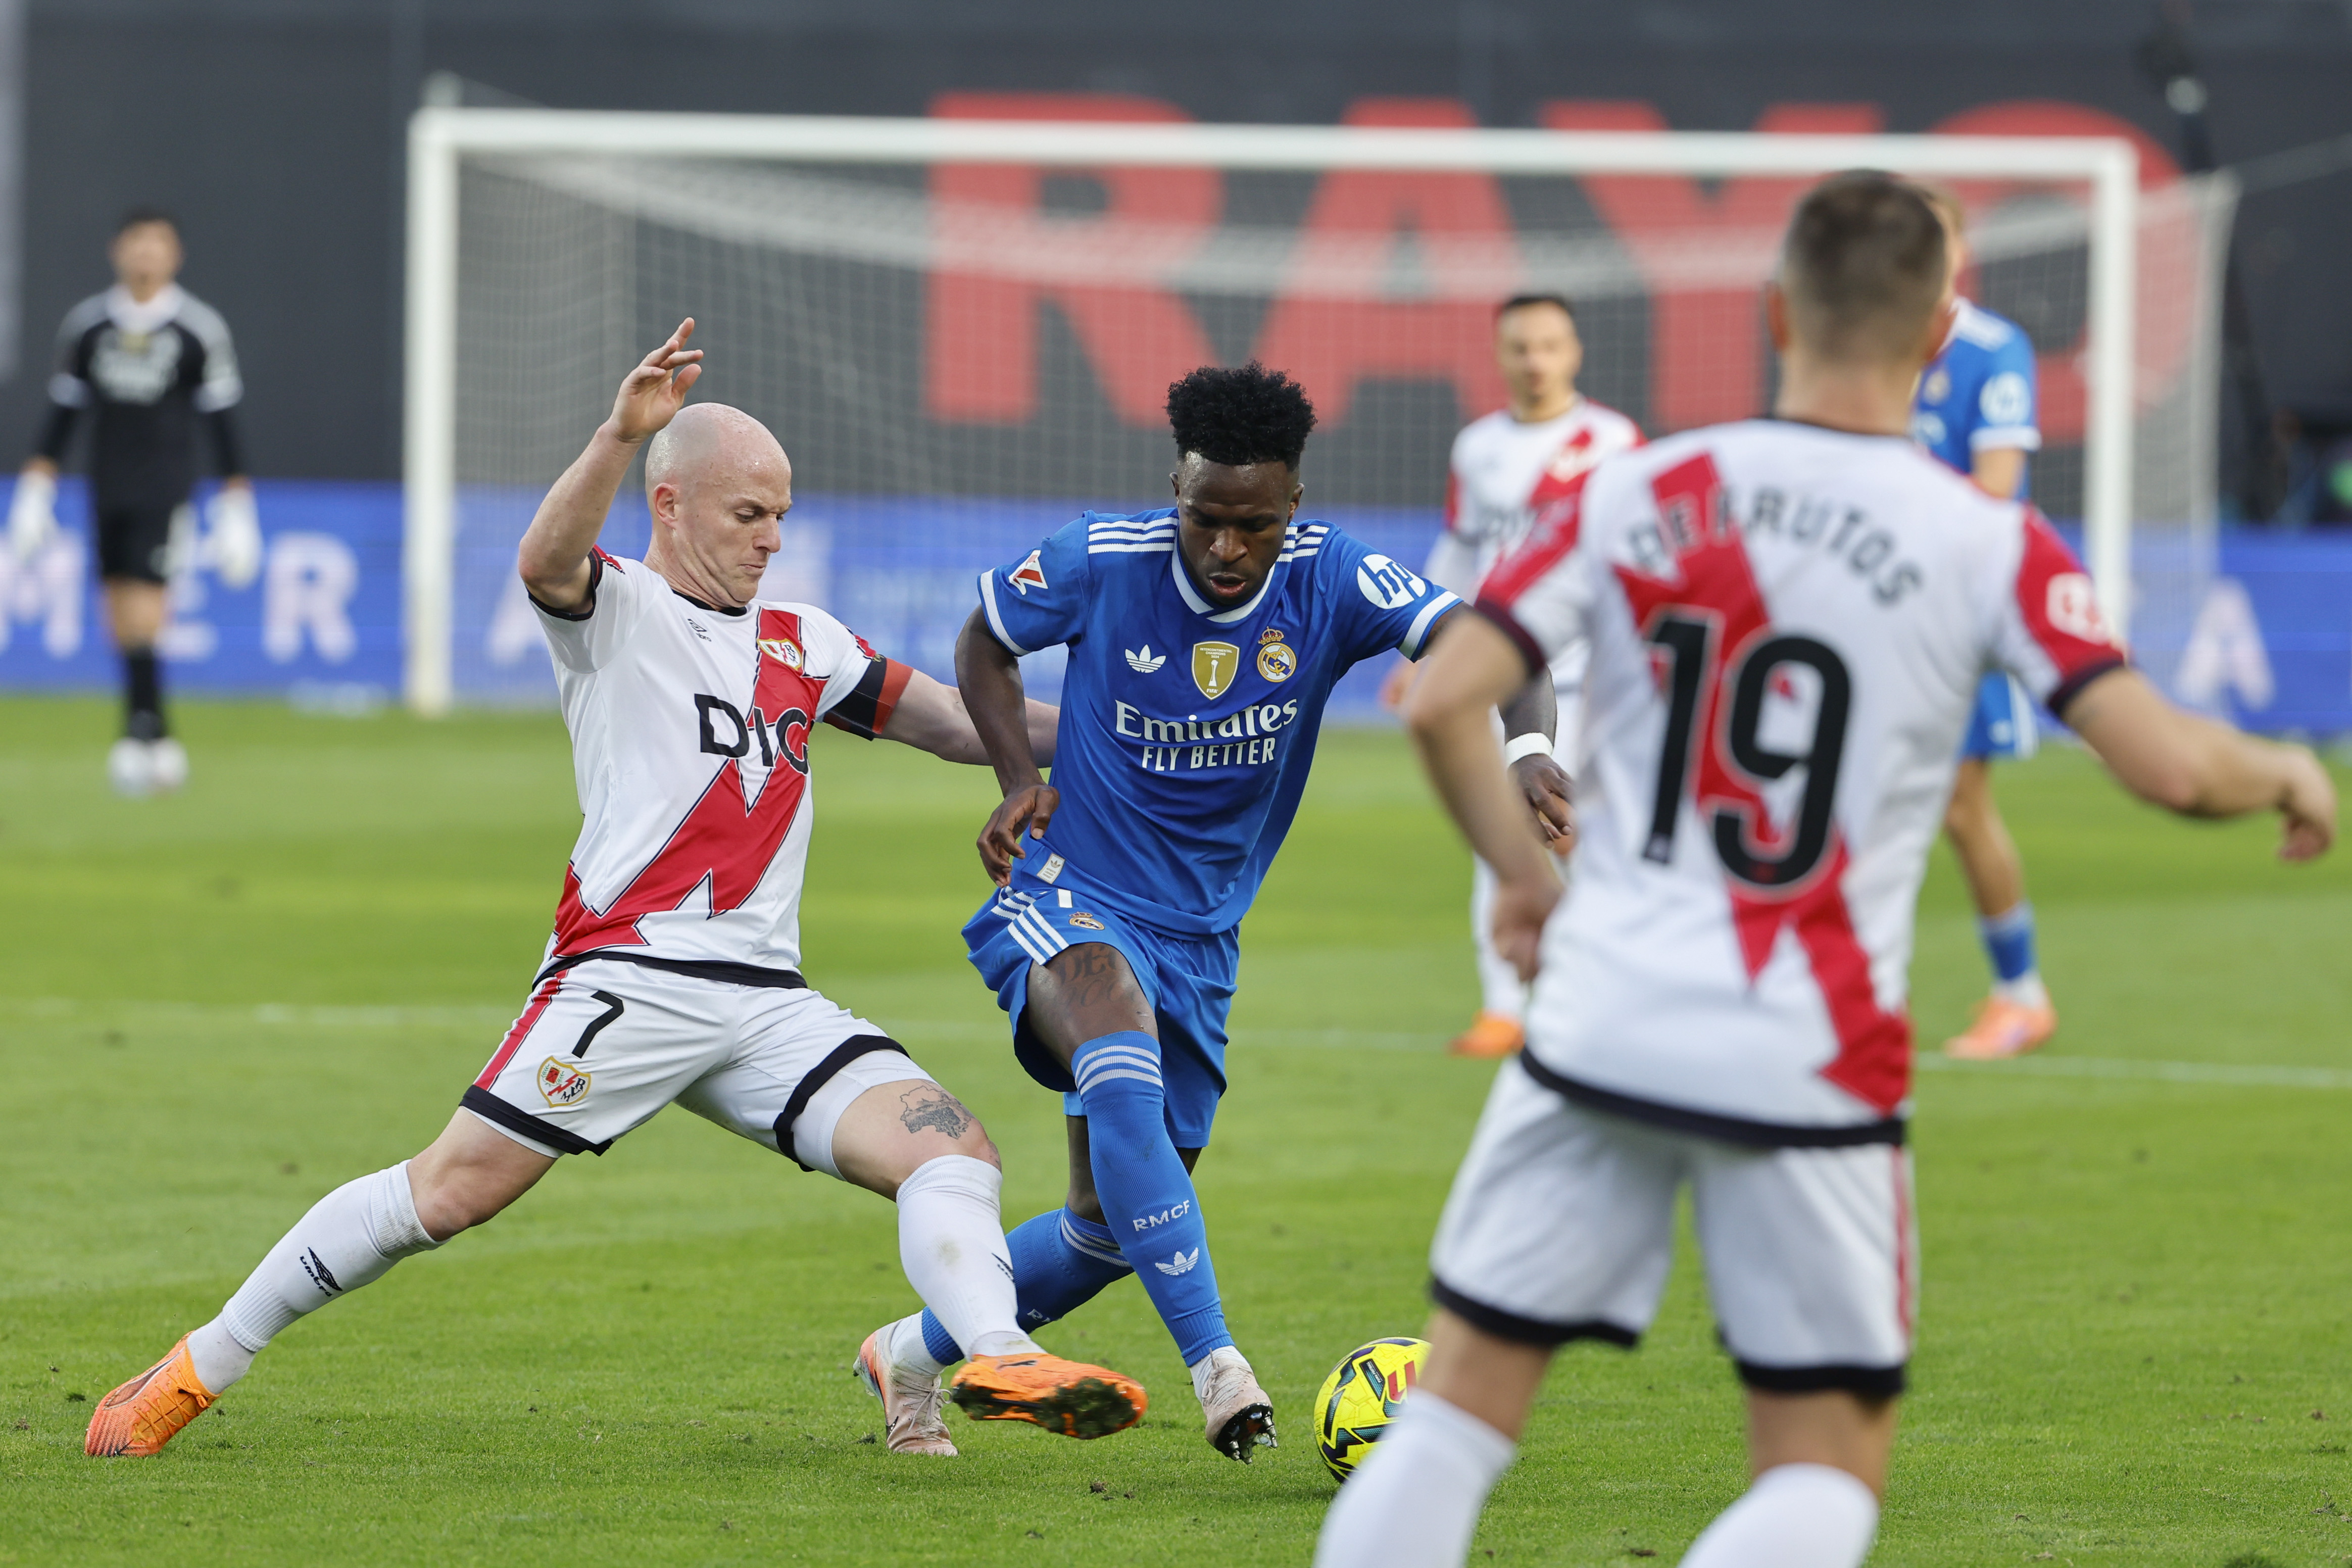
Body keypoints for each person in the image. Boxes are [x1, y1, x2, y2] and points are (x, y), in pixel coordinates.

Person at [1315, 174, 2334, 1568]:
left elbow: (1439, 704)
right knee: (1821, 1472)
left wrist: (1524, 881)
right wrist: (2279, 767)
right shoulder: (1988, 541)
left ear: (1775, 311)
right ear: (1937, 343)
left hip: (1601, 1015)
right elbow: (2164, 764)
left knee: (1452, 1418)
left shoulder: (1632, 487)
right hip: (1809, 1056)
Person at [83, 321, 1145, 1463]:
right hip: (631, 974)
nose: (773, 539)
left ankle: (984, 1353)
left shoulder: (806, 639)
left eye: (782, 514)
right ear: (672, 503)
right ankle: (199, 1364)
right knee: (448, 1193)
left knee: (952, 1149)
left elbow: (953, 722)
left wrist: (1128, 738)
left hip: (765, 1001)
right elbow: (545, 562)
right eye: (750, 515)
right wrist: (612, 434)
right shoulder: (617, 611)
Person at [852, 362, 1562, 1462]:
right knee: (1113, 1030)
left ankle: (907, 1351)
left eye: (1255, 527)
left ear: (1294, 510)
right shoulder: (1103, 557)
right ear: (1173, 488)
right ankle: (1219, 1368)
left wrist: (1528, 750)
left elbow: (1501, 652)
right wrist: (1011, 777)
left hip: (1203, 930)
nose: (1226, 549)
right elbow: (983, 643)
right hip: (1069, 888)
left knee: (1107, 1228)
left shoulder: (1336, 578)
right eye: (1206, 519)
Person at [1382, 293, 1643, 1059]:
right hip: (1501, 670)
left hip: (1593, 674)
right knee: (1495, 826)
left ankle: (1601, 992)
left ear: (1575, 353)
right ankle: (1505, 1007)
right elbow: (1462, 553)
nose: (1536, 361)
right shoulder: (1478, 447)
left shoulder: (1614, 442)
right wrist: (1422, 649)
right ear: (1501, 355)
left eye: (1550, 346)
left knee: (1590, 831)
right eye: (1521, 347)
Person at [7, 209, 261, 797]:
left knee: (149, 609)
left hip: (163, 488)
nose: (146, 255)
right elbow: (62, 415)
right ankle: (150, 731)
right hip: (106, 484)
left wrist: (236, 504)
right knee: (117, 613)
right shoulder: (90, 327)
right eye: (137, 244)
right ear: (117, 252)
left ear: (175, 256)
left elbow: (222, 422)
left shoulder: (197, 329)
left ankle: (145, 737)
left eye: (158, 245)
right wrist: (36, 488)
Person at [1909, 184, 2057, 1060]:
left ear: (1961, 252)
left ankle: (2021, 992)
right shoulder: (1865, 340)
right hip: (1872, 606)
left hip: (1955, 605)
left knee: (1963, 804)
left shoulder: (1993, 350)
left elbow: (1997, 488)